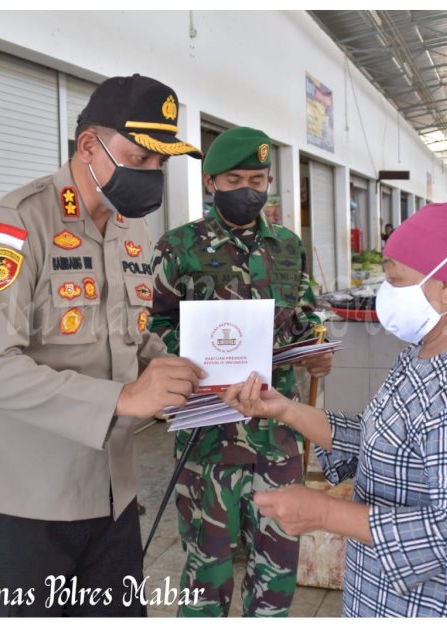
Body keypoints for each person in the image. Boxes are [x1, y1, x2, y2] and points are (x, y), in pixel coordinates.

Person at [0, 74, 206, 617]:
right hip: (23, 503)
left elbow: (129, 335)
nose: (152, 176)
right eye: (140, 158)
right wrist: (122, 399)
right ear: (89, 145)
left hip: (111, 497)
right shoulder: (19, 223)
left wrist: (178, 369)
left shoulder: (129, 231)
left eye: (161, 164)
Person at [223, 201, 447, 617]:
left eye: (396, 280)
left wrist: (325, 512)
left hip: (440, 606)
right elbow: (382, 438)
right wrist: (285, 410)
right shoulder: (429, 349)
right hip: (391, 600)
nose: (385, 293)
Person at [149, 126, 332, 617]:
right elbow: (153, 326)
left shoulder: (289, 247)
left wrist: (315, 348)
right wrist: (188, 357)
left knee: (276, 574)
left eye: (257, 178)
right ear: (211, 183)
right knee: (205, 575)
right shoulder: (179, 247)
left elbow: (305, 317)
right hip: (207, 438)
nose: (248, 189)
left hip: (277, 438)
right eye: (234, 179)